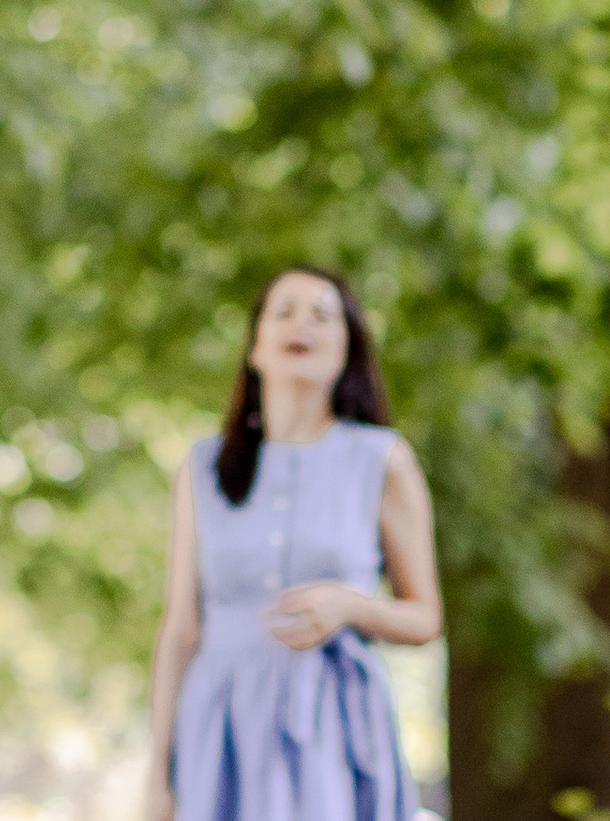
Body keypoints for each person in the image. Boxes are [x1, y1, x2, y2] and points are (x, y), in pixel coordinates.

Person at [145, 268, 442, 821]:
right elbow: (180, 629)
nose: (301, 323)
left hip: (337, 728)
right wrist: (157, 777)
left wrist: (349, 606)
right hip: (221, 726)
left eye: (321, 314)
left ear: (345, 349)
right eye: (283, 311)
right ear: (257, 348)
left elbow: (425, 619)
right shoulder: (202, 468)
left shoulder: (383, 459)